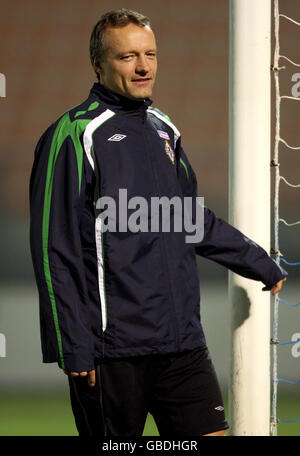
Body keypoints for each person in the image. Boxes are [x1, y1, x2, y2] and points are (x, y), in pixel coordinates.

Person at [29, 9, 287, 437]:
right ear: (98, 64)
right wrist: (72, 344)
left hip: (182, 342)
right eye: (127, 56)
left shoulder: (163, 129)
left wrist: (254, 259)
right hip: (113, 352)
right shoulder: (75, 134)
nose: (144, 66)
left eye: (150, 54)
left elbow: (189, 218)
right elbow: (54, 249)